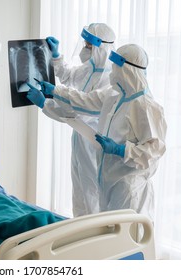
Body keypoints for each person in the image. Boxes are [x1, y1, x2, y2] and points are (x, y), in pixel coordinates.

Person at [27, 44, 167, 222]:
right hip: (108, 181)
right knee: (106, 237)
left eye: (116, 67)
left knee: (127, 241)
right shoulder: (115, 95)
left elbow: (153, 152)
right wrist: (55, 91)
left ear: (128, 70)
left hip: (130, 190)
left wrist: (121, 150)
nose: (112, 72)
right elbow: (84, 101)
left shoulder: (145, 106)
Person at [27, 23, 116, 217]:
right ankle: (80, 237)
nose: (85, 49)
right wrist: (57, 56)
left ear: (101, 47)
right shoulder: (92, 66)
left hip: (93, 143)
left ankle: (96, 241)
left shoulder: (110, 77)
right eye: (84, 44)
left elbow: (79, 111)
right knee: (79, 192)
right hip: (79, 141)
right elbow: (70, 76)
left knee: (92, 193)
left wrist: (46, 103)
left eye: (88, 46)